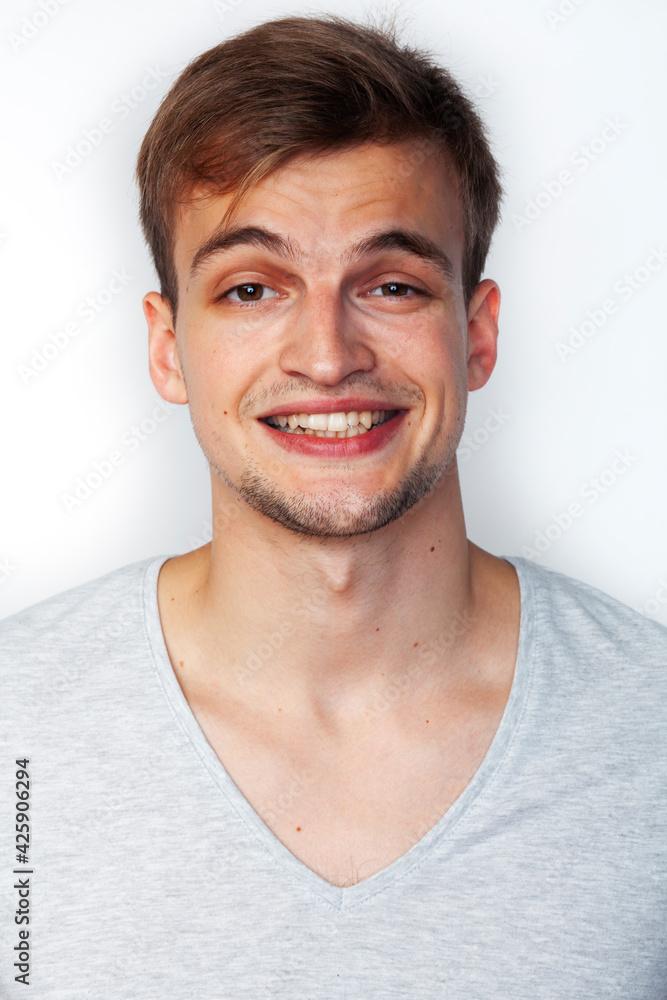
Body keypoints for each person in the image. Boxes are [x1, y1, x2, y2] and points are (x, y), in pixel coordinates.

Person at [1, 13, 666, 998]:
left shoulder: (648, 729)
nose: (325, 354)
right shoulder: (16, 721)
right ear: (166, 345)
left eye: (391, 284)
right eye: (250, 288)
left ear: (476, 335)